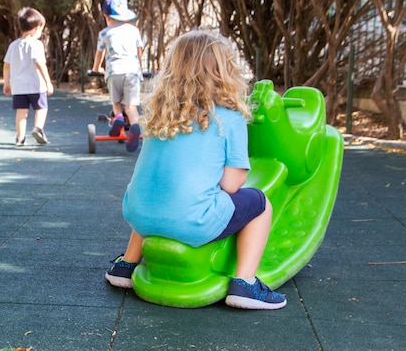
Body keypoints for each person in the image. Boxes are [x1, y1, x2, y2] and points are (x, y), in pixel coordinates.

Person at [105, 29, 287, 310]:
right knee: (260, 204)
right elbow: (231, 185)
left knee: (162, 190)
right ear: (225, 71)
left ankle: (126, 265)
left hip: (138, 214)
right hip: (192, 223)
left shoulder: (159, 115)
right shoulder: (229, 118)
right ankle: (245, 284)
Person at [91, 0, 144, 152]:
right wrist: (140, 68)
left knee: (116, 102)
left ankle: (118, 118)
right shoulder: (134, 31)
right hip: (133, 72)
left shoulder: (104, 33)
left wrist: (96, 69)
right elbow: (139, 52)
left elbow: (99, 54)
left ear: (106, 17)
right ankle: (134, 126)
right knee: (131, 107)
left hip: (114, 71)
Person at [3, 7, 54, 146]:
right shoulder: (36, 44)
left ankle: (20, 138)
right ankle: (38, 128)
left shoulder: (13, 45)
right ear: (36, 28)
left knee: (21, 112)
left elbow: (6, 65)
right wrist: (48, 82)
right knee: (41, 108)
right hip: (36, 85)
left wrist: (6, 82)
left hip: (18, 86)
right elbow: (40, 64)